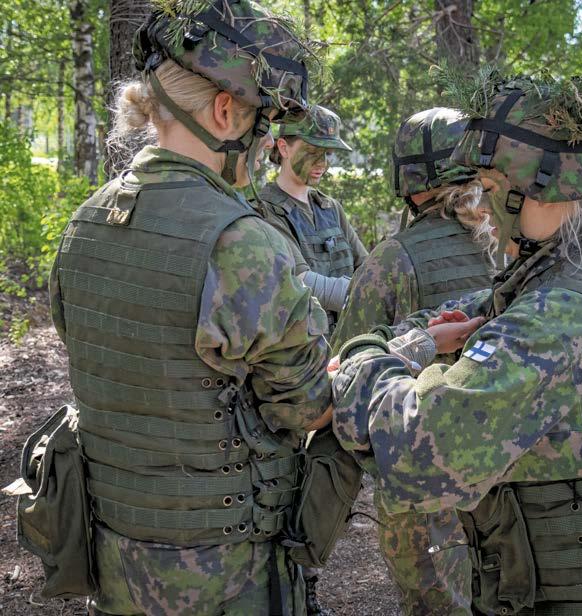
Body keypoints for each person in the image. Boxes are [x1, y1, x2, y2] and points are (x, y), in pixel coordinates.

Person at [327, 74, 582, 615]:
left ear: (541, 193)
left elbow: (416, 450)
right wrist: (419, 338)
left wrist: (363, 358)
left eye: (492, 190)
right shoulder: (574, 267)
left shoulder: (560, 317)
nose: (482, 208)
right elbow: (478, 307)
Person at [49, 2, 332, 614]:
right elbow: (309, 407)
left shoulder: (83, 223)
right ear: (225, 112)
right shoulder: (243, 242)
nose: (265, 145)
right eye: (262, 125)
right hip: (227, 577)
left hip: (114, 564)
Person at [330, 107, 495, 615]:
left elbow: (346, 369)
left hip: (425, 482)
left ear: (409, 179)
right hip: (508, 464)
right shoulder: (513, 241)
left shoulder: (394, 258)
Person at [258, 105, 368, 334]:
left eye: (327, 153)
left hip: (346, 338)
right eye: (312, 151)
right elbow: (300, 280)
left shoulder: (330, 208)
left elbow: (368, 267)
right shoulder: (267, 211)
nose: (322, 163)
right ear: (283, 148)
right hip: (305, 346)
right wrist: (369, 294)